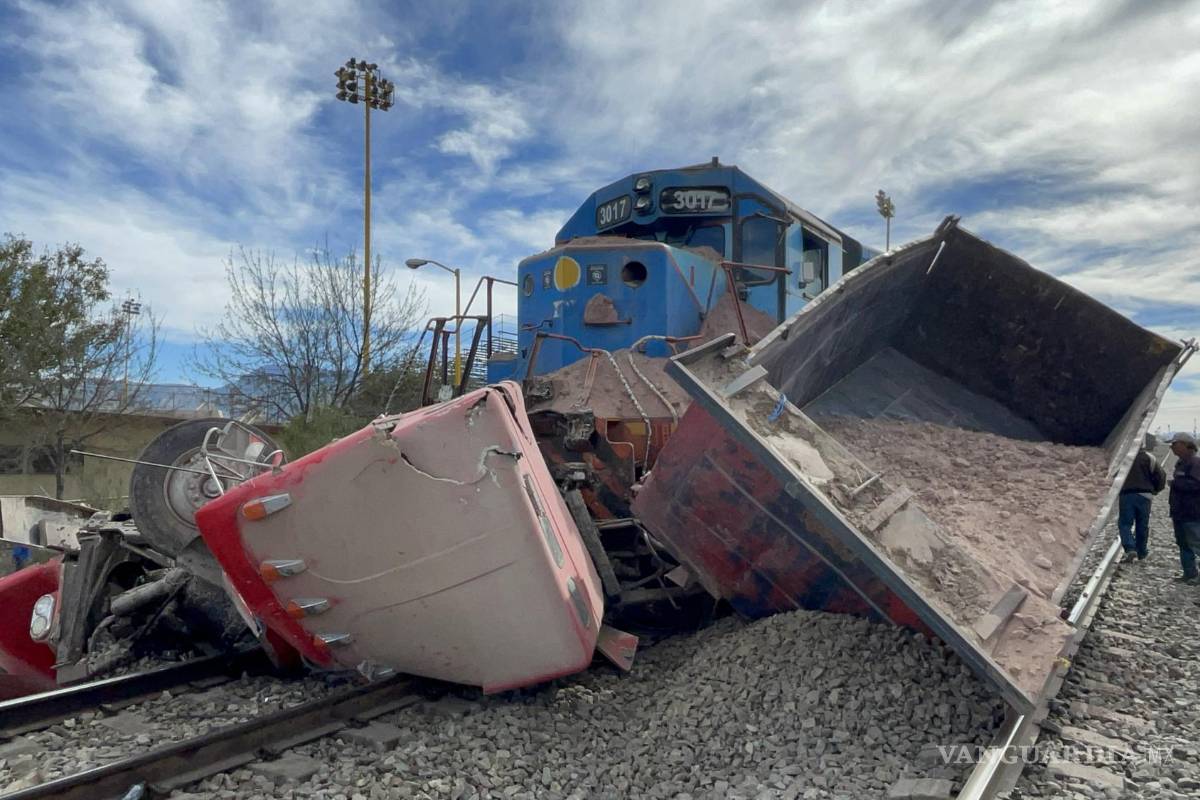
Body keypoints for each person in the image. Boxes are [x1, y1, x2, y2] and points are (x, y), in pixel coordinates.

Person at [1118, 433, 1166, 562]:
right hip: (1145, 496)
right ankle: (1142, 552)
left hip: (1126, 494)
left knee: (1125, 523)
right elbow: (1161, 475)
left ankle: (1130, 548)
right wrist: (1155, 490)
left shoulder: (1123, 458)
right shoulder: (1149, 458)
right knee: (1142, 524)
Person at [1168, 432, 1200, 583]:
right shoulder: (1181, 463)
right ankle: (1189, 573)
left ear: (1186, 445)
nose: (1172, 447)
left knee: (1196, 543)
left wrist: (1175, 483)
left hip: (1192, 511)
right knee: (1183, 543)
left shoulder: (1195, 463)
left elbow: (1196, 484)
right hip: (1179, 511)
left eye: (1175, 444)